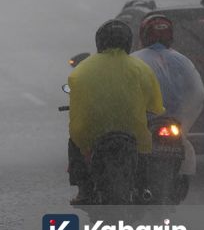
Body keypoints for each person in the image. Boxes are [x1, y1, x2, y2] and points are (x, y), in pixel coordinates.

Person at [67, 19, 165, 205]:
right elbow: (155, 106)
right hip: (134, 132)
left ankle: (84, 190)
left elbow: (77, 105)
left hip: (94, 132)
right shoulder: (141, 68)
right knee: (145, 154)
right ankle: (145, 188)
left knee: (74, 143)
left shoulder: (81, 70)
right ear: (128, 42)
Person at [131, 14, 204, 185]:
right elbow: (198, 93)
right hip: (174, 124)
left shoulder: (134, 60)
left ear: (143, 36)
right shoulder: (183, 61)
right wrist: (183, 121)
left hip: (145, 123)